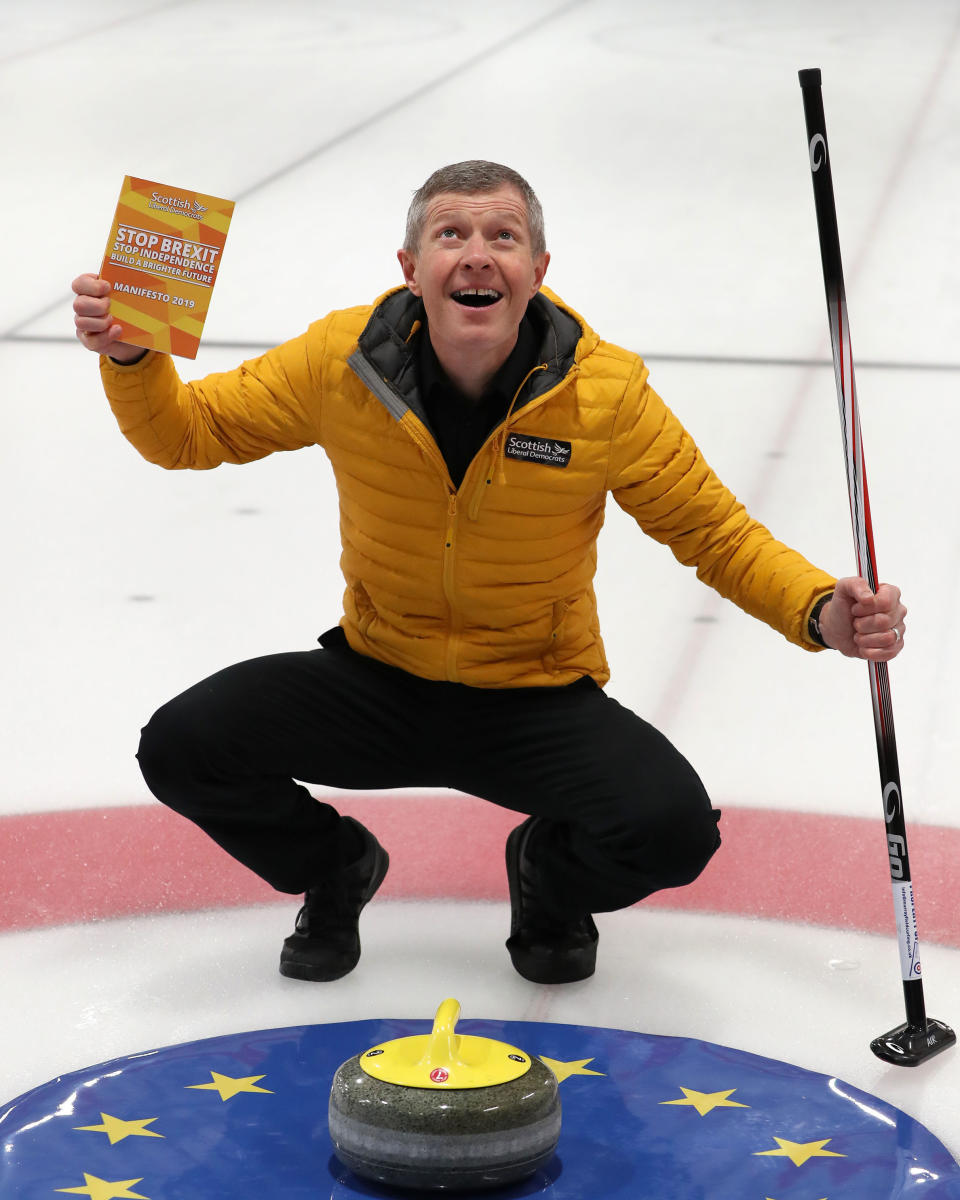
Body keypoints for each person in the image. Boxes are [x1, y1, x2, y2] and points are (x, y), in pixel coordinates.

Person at [71, 159, 906, 987]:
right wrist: (136, 360)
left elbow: (714, 533)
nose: (477, 254)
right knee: (183, 747)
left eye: (503, 235)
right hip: (378, 678)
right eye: (451, 234)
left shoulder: (603, 395)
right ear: (410, 270)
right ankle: (335, 865)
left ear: (537, 271)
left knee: (672, 832)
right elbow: (187, 435)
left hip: (533, 696)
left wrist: (817, 610)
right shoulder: (340, 362)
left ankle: (548, 870)